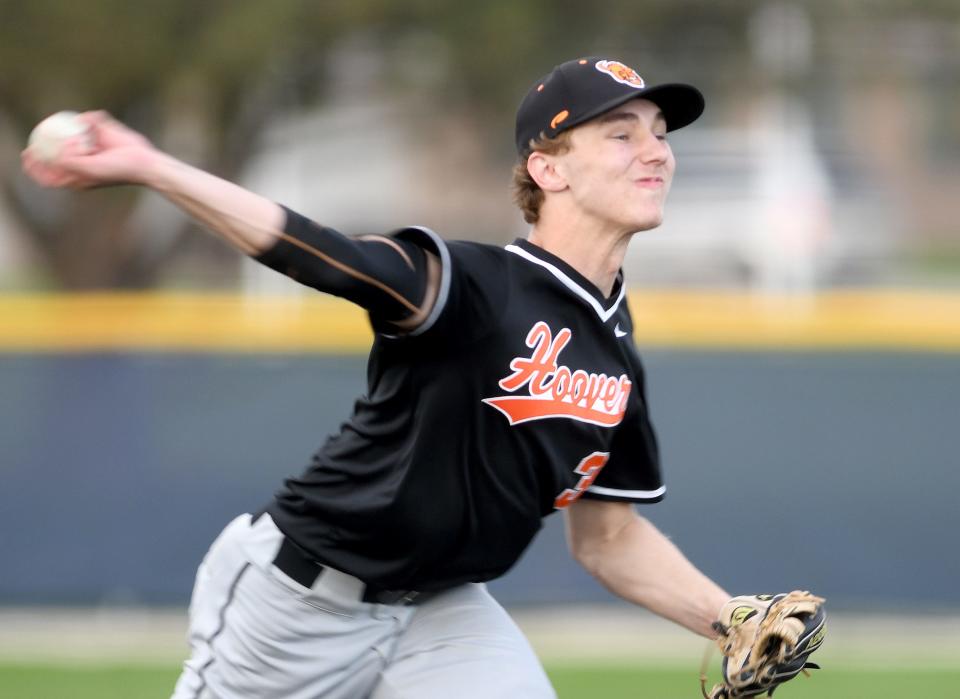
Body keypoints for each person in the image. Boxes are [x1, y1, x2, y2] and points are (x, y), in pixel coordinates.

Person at [23, 57, 732, 699]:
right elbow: (321, 253)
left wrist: (729, 619)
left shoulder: (612, 348)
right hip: (298, 603)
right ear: (550, 170)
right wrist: (154, 168)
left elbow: (607, 537)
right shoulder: (474, 285)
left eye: (660, 133)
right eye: (621, 134)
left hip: (442, 612)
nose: (656, 152)